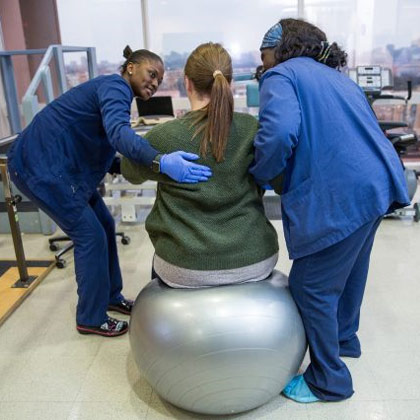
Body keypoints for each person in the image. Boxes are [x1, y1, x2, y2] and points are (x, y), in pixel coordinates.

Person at [251, 18, 410, 403]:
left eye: (263, 56)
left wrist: (258, 174)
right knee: (351, 271)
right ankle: (343, 340)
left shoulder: (281, 76)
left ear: (277, 49)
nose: (262, 65)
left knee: (311, 285)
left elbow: (279, 133)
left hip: (344, 191)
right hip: (379, 184)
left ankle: (328, 379)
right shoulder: (336, 77)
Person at [7, 46, 212, 337]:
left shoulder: (111, 92)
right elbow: (117, 132)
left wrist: (134, 166)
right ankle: (90, 317)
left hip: (65, 169)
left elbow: (102, 141)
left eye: (159, 79)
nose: (154, 83)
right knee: (89, 234)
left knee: (104, 224)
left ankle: (111, 296)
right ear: (130, 68)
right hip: (41, 168)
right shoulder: (115, 86)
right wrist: (159, 160)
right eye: (151, 74)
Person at [121, 42, 279, 288]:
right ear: (229, 83)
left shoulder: (163, 136)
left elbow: (129, 173)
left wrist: (158, 163)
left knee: (158, 264)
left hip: (184, 265)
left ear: (187, 83)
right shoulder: (253, 129)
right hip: (256, 258)